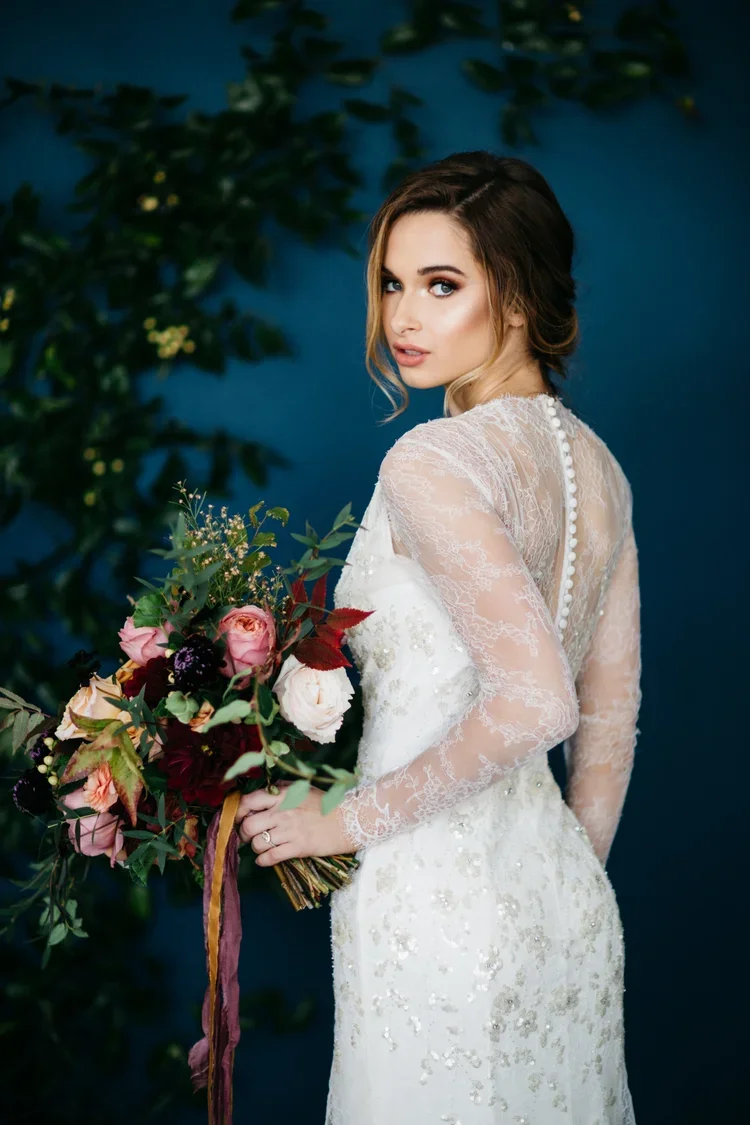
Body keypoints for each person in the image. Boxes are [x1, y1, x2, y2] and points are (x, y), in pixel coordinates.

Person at [235, 150, 642, 1123]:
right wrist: (565, 876)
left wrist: (340, 824)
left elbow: (540, 702)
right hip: (563, 901)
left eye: (442, 284)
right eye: (392, 283)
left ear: (518, 296)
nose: (403, 317)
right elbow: (610, 714)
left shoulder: (433, 459)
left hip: (431, 903)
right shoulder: (602, 469)